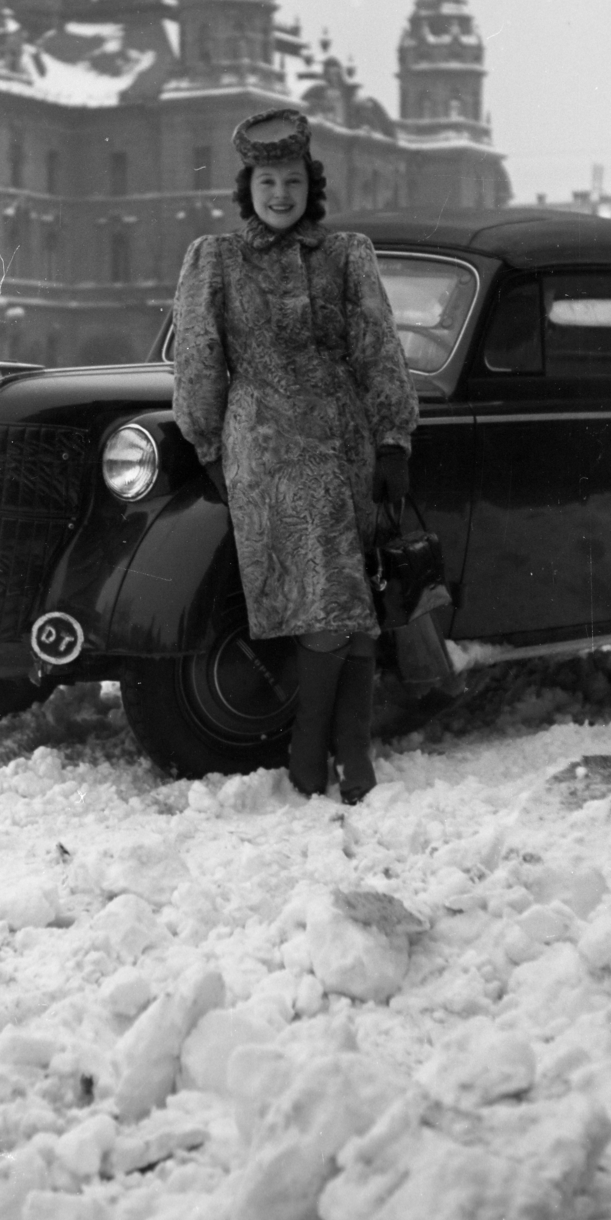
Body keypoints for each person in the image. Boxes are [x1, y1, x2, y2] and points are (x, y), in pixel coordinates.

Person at [172, 107, 419, 803]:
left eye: (292, 181)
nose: (280, 195)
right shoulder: (214, 260)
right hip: (268, 447)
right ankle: (320, 752)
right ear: (247, 188)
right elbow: (197, 359)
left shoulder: (348, 257)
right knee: (328, 600)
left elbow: (377, 348)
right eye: (266, 181)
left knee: (352, 600)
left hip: (346, 441)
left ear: (311, 186)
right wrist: (210, 443)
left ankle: (339, 750)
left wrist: (393, 439)